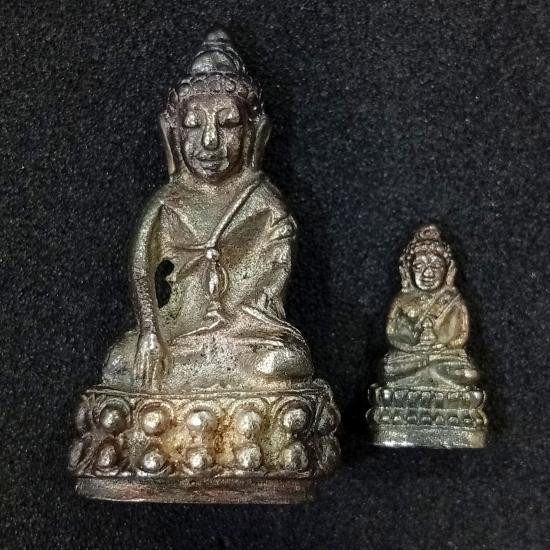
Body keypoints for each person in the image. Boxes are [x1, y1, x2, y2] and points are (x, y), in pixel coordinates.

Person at [104, 29, 313, 391]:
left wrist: (229, 328)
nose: (210, 141)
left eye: (228, 124)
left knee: (280, 362)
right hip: (178, 331)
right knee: (119, 361)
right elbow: (141, 267)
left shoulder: (264, 203)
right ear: (173, 135)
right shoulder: (168, 202)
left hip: (245, 337)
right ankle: (205, 375)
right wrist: (150, 332)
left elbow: (269, 292)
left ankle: (209, 376)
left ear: (253, 134)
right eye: (193, 125)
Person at [381, 224, 480, 389]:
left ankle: (429, 379)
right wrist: (412, 348)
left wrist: (443, 346)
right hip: (410, 356)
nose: (428, 273)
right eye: (419, 266)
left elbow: (462, 334)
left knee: (468, 373)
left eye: (436, 266)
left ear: (448, 271)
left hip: (443, 357)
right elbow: (391, 334)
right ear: (407, 270)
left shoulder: (453, 299)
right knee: (387, 370)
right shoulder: (401, 299)